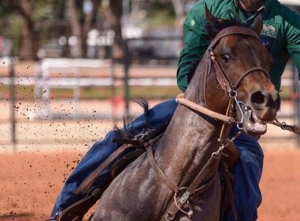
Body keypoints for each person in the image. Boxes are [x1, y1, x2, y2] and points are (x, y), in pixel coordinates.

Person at [50, 0, 300, 220]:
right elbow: (185, 73)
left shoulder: (288, 22)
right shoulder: (207, 10)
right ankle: (65, 209)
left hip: (244, 117)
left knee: (247, 170)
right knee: (117, 141)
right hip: (193, 107)